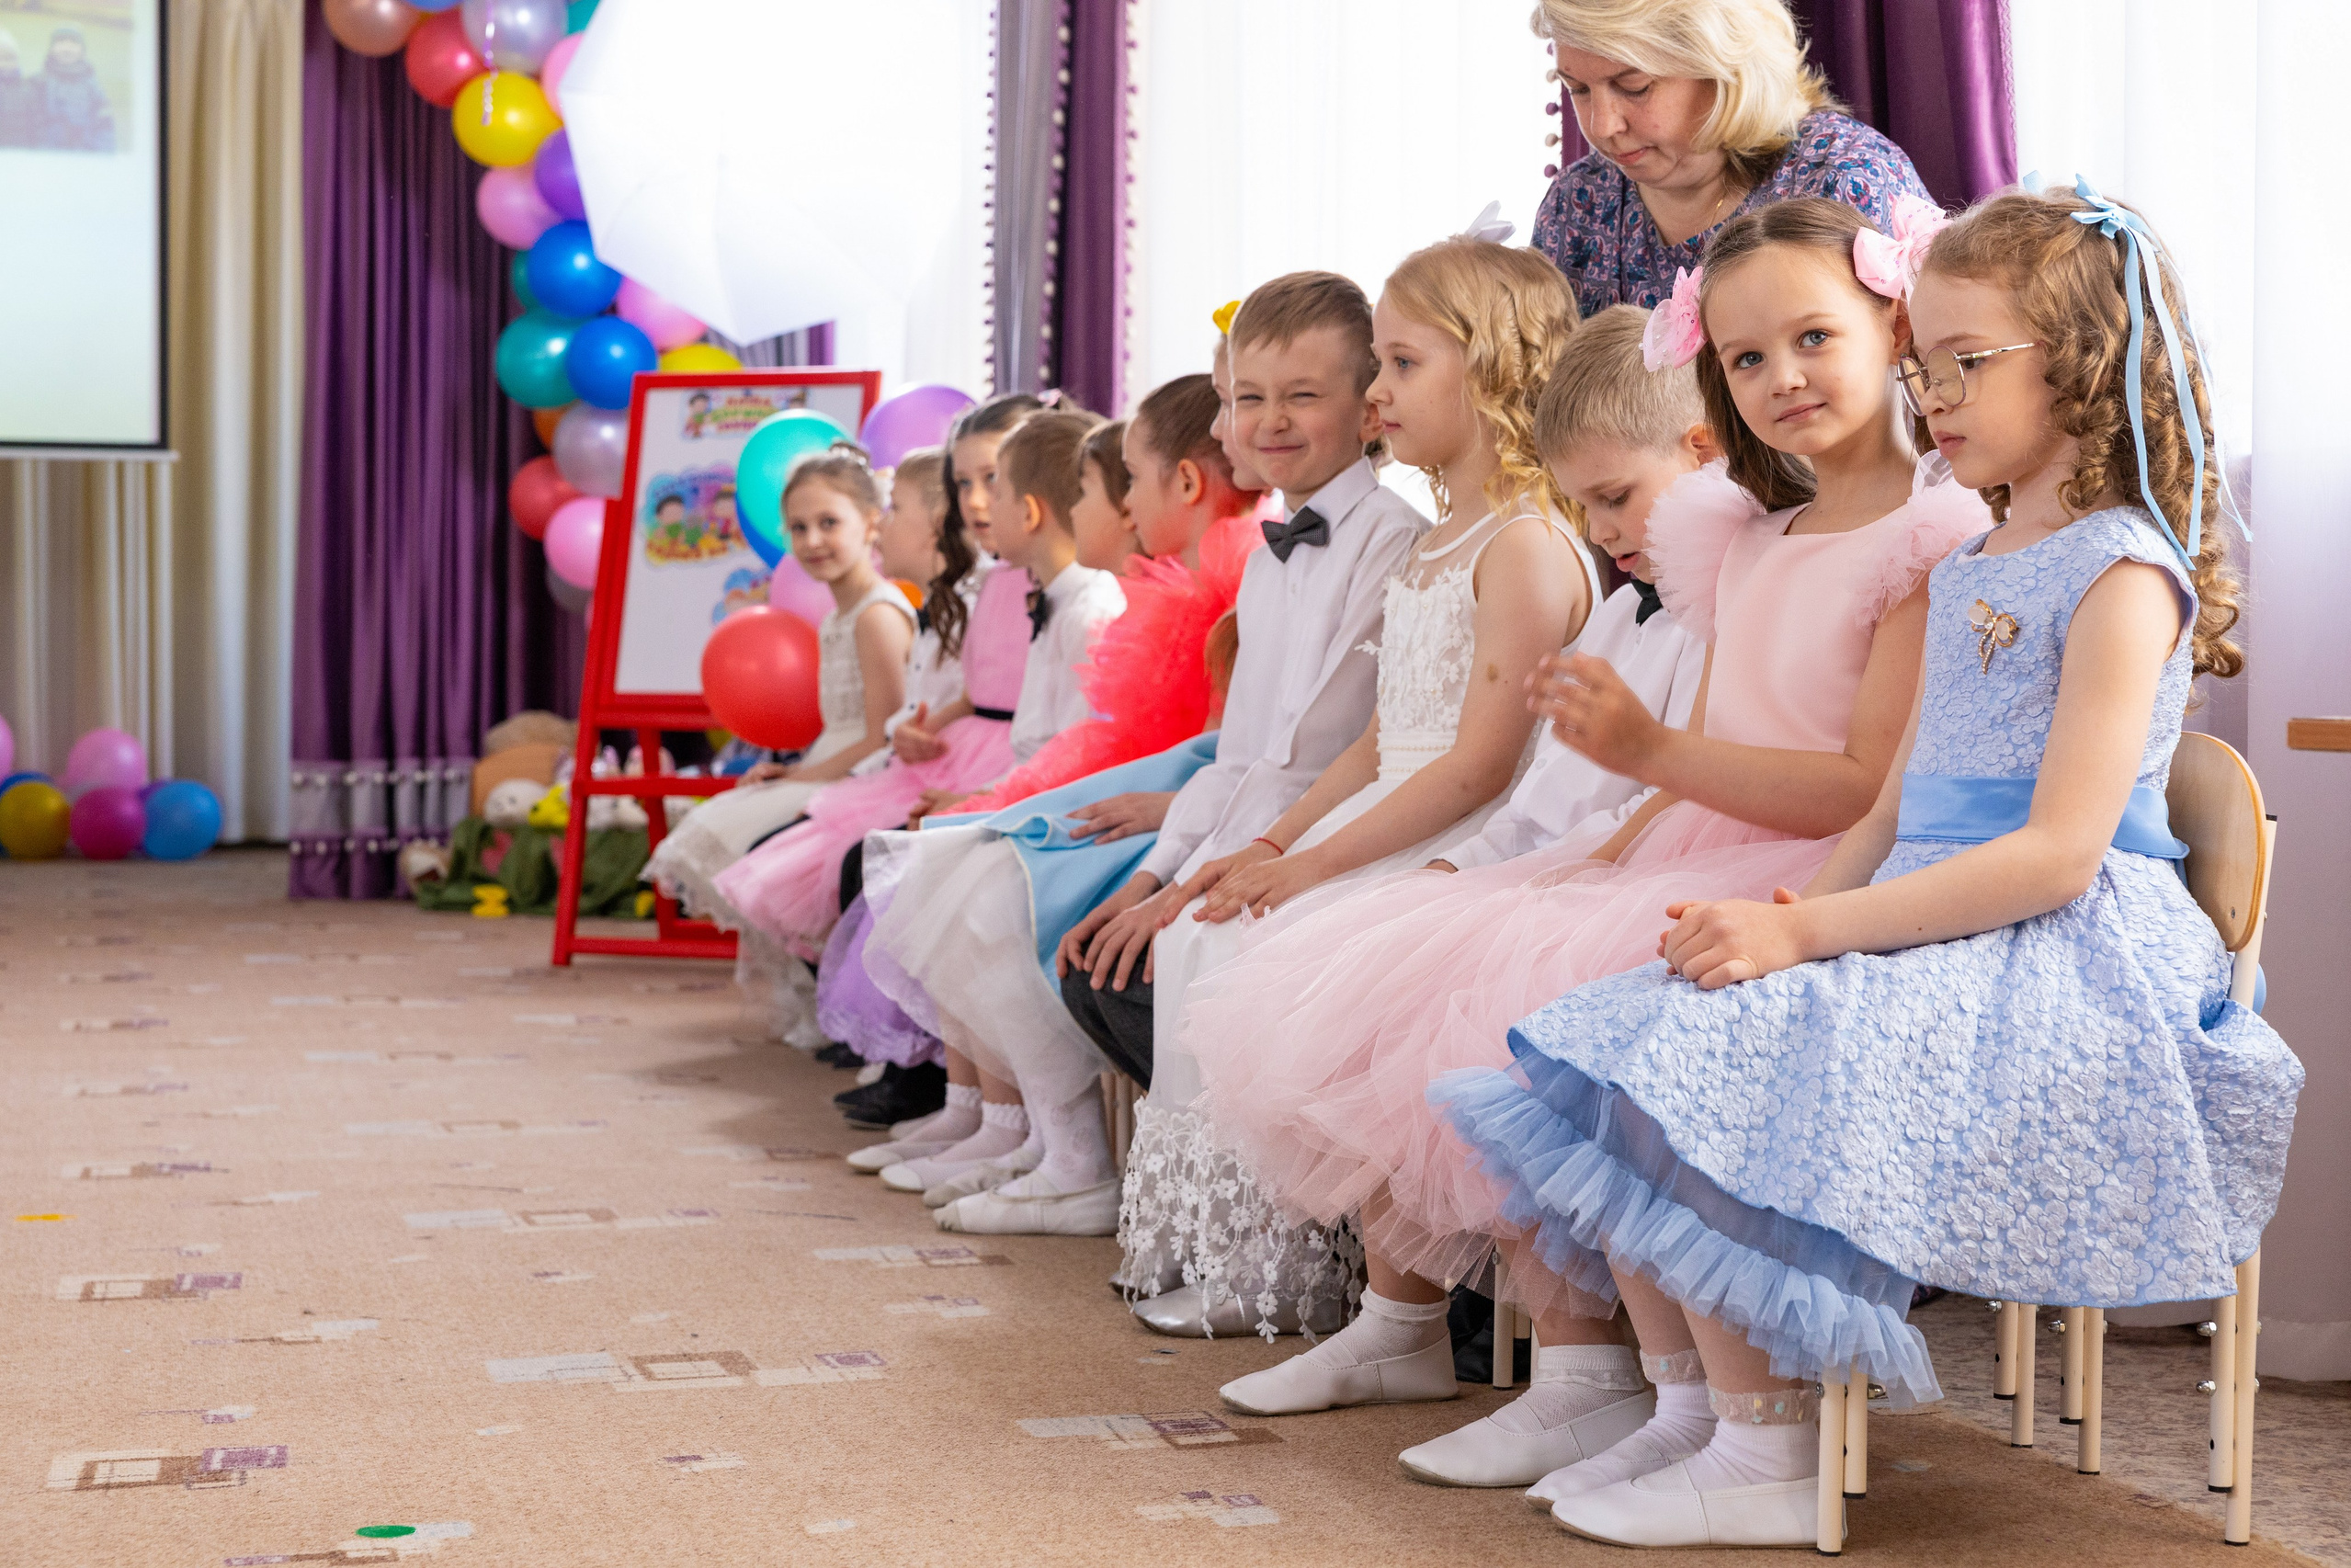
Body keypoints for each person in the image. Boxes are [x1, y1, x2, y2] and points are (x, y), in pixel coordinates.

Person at [1437, 183, 2300, 1550]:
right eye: (1925, 363)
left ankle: (1770, 1446)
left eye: (1966, 362)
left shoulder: (2120, 573)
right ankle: (1689, 1407)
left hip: (2057, 946)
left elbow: (2057, 853)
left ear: (2082, 362)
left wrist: (1819, 941)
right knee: (1633, 1030)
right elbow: (1894, 806)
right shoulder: (1973, 561)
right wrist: (1797, 907)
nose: (1932, 392)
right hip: (1936, 907)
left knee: (1736, 1050)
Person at [1209, 197, 1987, 1447]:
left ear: (1893, 323)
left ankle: (1679, 1401)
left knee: (1559, 1009)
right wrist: (1617, 826)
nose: (1778, 379)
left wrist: (1651, 756)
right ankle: (1651, 1396)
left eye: (1810, 339)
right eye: (1744, 356)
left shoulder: (1934, 535)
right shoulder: (1751, 535)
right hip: (1700, 840)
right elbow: (1704, 754)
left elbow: (1857, 785)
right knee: (1457, 963)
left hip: (1814, 867)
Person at [1094, 235, 1597, 1320]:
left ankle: (1325, 1287)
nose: (1377, 391)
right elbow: (1376, 738)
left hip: (1463, 831)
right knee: (1226, 918)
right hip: (1385, 803)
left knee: (1265, 951)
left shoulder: (1520, 543)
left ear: (1496, 368)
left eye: (1398, 365)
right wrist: (1270, 847)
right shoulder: (1439, 543)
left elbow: (1476, 767)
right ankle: (1276, 1269)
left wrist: (1309, 861)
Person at [861, 272, 1427, 1235]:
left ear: (1368, 405)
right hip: (1245, 819)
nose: (1270, 420)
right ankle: (1154, 1191)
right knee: (1099, 951)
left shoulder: (1390, 543)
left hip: (1329, 830)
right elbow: (1241, 753)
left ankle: (1274, 1232)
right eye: (1248, 398)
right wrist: (1156, 876)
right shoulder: (1272, 561)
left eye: (1301, 395)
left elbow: (1318, 760)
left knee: (1159, 956)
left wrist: (1185, 883)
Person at [818, 353, 1265, 1164]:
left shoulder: (1218, 581)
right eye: (1113, 485)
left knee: (982, 890)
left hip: (1194, 806)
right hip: (1170, 794)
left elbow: (1215, 750)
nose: (1123, 507)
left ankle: (1061, 1143)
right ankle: (1005, 1122)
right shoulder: (1153, 586)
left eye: (1123, 481)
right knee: (943, 871)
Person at [642, 443, 914, 925]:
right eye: (799, 528)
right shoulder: (838, 616)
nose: (812, 541)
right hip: (828, 763)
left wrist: (798, 778)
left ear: (872, 523)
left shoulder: (877, 615)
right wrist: (795, 772)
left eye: (829, 523)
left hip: (865, 776)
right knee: (728, 816)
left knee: (746, 830)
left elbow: (881, 740)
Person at [1529, 0, 1930, 314]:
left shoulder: (1845, 179)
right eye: (1578, 89)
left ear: (1726, 70)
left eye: (1634, 86)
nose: (1601, 126)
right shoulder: (1576, 202)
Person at [35, 26, 113, 153]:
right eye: (61, 42)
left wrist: (101, 159)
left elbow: (105, 127)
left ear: (82, 50)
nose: (67, 49)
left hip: (84, 156)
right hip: (47, 155)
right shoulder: (38, 83)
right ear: (51, 49)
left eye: (73, 43)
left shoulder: (94, 88)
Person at [0, 29, 41, 148]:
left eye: (8, 58)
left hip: (20, 152)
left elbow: (36, 124)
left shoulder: (28, 90)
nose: (2, 64)